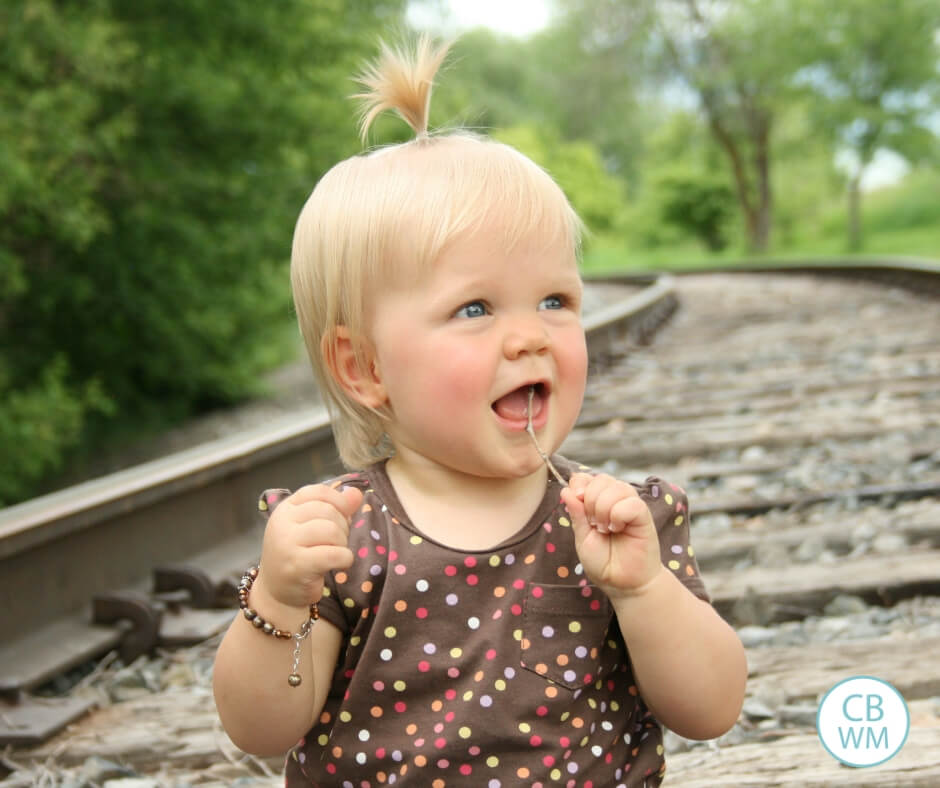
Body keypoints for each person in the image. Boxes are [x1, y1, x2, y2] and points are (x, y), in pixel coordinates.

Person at [213, 35, 747, 787]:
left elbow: (712, 708)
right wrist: (275, 601)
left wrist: (642, 589)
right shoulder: (341, 538)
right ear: (363, 368)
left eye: (556, 300)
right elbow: (260, 727)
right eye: (475, 308)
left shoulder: (617, 524)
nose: (531, 335)